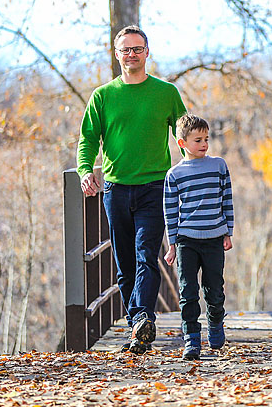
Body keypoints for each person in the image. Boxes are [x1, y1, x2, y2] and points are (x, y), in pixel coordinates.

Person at [76, 25, 187, 354]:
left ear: (147, 53)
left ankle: (142, 317)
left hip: (155, 186)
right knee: (124, 265)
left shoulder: (166, 93)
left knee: (145, 257)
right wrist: (85, 171)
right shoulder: (103, 96)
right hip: (115, 190)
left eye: (137, 49)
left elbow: (185, 134)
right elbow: (87, 140)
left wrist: (188, 170)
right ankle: (138, 324)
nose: (131, 54)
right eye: (125, 49)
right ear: (116, 54)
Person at [163, 114, 234, 360]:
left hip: (214, 237)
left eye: (206, 139)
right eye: (197, 140)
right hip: (186, 241)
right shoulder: (174, 174)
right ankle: (191, 340)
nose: (204, 144)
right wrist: (172, 244)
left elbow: (227, 199)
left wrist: (228, 231)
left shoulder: (218, 165)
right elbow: (170, 210)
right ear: (182, 143)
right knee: (188, 291)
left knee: (214, 289)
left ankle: (215, 324)